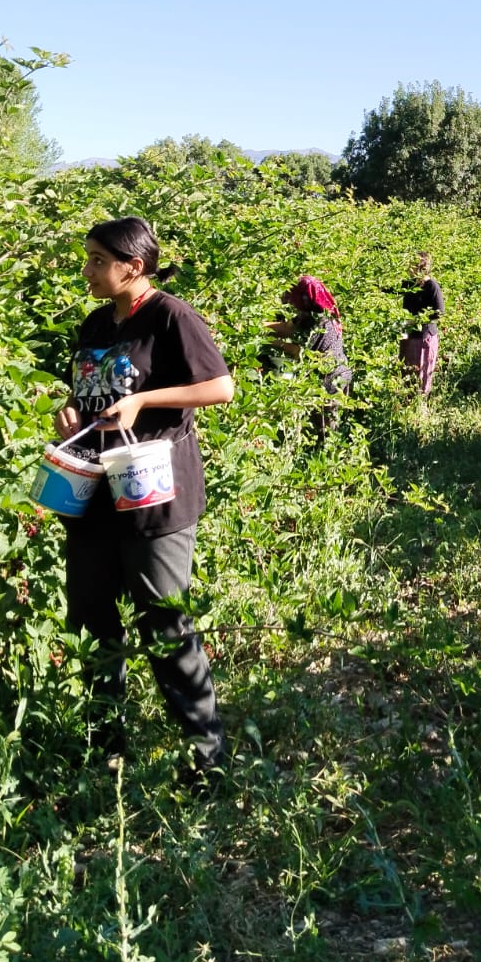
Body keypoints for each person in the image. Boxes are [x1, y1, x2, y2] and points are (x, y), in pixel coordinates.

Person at [53, 216, 234, 779]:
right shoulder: (94, 323)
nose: (86, 271)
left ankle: (206, 758)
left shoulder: (170, 316)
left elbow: (220, 387)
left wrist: (144, 402)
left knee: (164, 622)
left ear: (133, 266)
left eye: (96, 261)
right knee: (89, 617)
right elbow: (89, 388)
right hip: (93, 494)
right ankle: (101, 747)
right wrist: (69, 412)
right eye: (87, 259)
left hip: (153, 495)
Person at [266, 274, 353, 438]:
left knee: (323, 427)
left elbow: (299, 351)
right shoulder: (319, 311)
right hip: (336, 372)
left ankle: (325, 455)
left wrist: (269, 341)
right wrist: (256, 326)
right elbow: (287, 328)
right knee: (319, 422)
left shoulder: (318, 320)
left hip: (332, 377)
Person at [399, 251, 444, 397]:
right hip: (408, 335)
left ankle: (419, 406)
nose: (408, 268)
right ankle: (406, 404)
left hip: (424, 337)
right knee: (406, 372)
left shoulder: (432, 286)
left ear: (421, 268)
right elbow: (390, 291)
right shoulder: (408, 284)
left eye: (412, 266)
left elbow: (439, 312)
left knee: (421, 373)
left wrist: (417, 320)